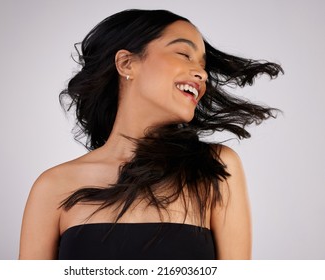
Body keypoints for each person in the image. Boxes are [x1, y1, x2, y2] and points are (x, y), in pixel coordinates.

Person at [19, 9, 283, 260]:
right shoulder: (52, 187)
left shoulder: (215, 168)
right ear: (126, 63)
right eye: (183, 54)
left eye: (203, 66)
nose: (201, 73)